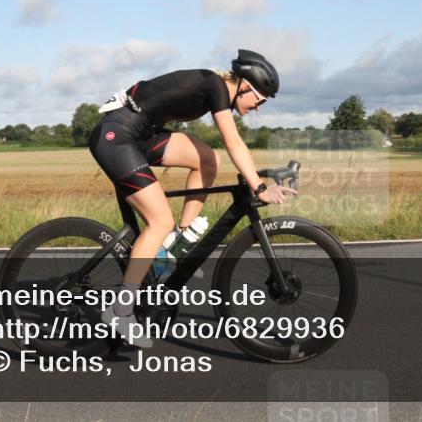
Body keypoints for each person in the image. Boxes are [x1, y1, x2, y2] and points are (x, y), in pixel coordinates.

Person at [87, 49, 297, 346]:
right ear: (245, 86)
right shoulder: (215, 86)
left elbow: (230, 148)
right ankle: (120, 311)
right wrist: (259, 188)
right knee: (159, 221)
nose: (257, 108)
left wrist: (256, 177)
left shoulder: (213, 88)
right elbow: (233, 142)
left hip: (141, 134)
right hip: (116, 136)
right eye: (259, 100)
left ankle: (178, 242)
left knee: (208, 160)